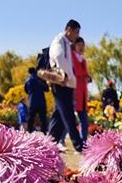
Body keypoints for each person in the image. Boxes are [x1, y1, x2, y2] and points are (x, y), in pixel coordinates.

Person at [47, 19, 83, 152]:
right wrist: (68, 75)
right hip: (62, 83)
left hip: (66, 83)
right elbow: (58, 56)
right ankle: (78, 145)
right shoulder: (59, 41)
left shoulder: (66, 42)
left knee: (59, 115)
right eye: (76, 32)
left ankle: (49, 142)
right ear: (69, 29)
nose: (77, 36)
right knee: (68, 115)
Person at [72, 37, 92, 146]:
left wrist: (88, 78)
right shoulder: (71, 57)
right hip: (74, 92)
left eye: (82, 45)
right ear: (75, 45)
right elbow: (75, 72)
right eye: (79, 45)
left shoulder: (83, 60)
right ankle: (60, 140)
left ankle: (83, 142)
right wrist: (83, 76)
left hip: (82, 94)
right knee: (68, 119)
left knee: (84, 120)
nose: (81, 47)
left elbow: (85, 73)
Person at [24, 67, 48, 133]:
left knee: (31, 118)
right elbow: (47, 89)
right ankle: (44, 132)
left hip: (32, 102)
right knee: (43, 119)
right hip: (41, 102)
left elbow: (26, 90)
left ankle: (29, 131)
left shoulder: (27, 80)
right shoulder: (39, 79)